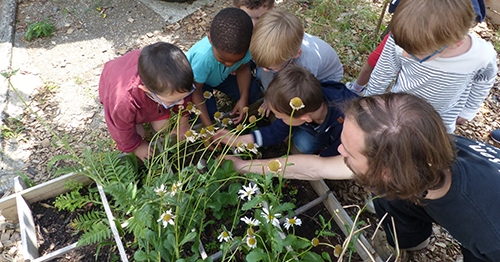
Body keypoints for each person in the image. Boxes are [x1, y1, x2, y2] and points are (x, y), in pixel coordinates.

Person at [230, 92, 500, 261]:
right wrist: (243, 166)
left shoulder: (487, 231)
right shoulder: (420, 152)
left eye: (347, 151)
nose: (338, 150)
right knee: (388, 200)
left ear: (387, 171)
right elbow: (317, 168)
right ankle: (410, 239)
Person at [364, 0, 497, 134]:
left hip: (441, 121)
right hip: (399, 112)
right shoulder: (405, 37)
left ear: (454, 43)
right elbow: (383, 71)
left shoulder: (481, 55)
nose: (404, 54)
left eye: (415, 53)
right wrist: (369, 104)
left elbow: (484, 80)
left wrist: (468, 110)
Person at [347, 0, 487, 94]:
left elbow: (474, 17)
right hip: (406, 34)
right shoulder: (396, 42)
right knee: (375, 62)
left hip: (432, 41)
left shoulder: (477, 56)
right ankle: (357, 87)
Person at [217, 64, 357, 156]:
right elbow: (275, 132)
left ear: (305, 118)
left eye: (281, 117)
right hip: (318, 124)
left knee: (303, 145)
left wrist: (321, 158)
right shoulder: (306, 101)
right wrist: (238, 140)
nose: (278, 119)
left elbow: (332, 158)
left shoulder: (345, 127)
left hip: (348, 142)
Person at [99, 42, 194, 161]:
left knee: (162, 126)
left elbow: (183, 97)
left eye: (182, 97)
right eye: (173, 101)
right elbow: (120, 127)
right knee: (139, 134)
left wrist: (183, 122)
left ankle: (158, 109)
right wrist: (136, 146)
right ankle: (137, 122)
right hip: (112, 79)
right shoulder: (123, 102)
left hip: (144, 85)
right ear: (146, 90)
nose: (181, 103)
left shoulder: (178, 78)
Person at [249, 10, 344, 116]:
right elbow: (266, 72)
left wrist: (281, 108)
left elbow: (300, 93)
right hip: (291, 68)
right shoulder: (282, 54)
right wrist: (269, 99)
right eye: (263, 66)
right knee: (261, 75)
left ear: (296, 54)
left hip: (323, 80)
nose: (265, 69)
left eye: (270, 68)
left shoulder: (307, 64)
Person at [186, 8, 261, 126]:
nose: (230, 64)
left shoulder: (244, 48)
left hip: (222, 75)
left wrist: (243, 99)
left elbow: (243, 68)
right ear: (210, 39)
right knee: (207, 116)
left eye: (236, 61)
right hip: (197, 83)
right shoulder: (203, 57)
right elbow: (196, 90)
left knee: (253, 94)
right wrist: (208, 127)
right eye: (222, 59)